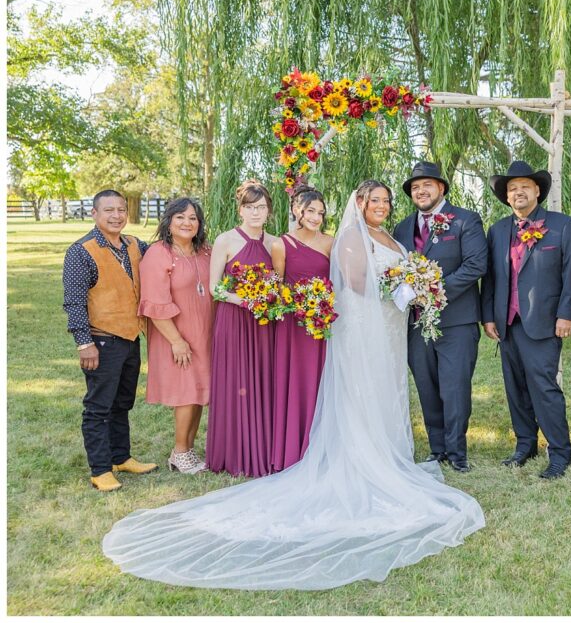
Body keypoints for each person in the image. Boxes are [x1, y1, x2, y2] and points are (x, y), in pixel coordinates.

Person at [102, 179, 485, 589]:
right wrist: (403, 288)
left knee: (387, 389)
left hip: (388, 325)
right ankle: (359, 450)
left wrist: (412, 285)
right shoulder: (340, 237)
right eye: (375, 199)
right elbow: (353, 282)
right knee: (361, 389)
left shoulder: (388, 234)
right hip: (359, 322)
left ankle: (390, 448)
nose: (383, 205)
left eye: (387, 200)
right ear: (356, 203)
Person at [481, 160, 571, 479]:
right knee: (516, 387)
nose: (518, 192)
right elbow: (493, 278)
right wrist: (489, 317)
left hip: (544, 322)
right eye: (512, 188)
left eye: (524, 186)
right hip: (507, 323)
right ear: (506, 197)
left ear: (537, 190)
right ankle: (525, 445)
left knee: (544, 387)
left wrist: (567, 314)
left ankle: (560, 451)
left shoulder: (562, 225)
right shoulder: (497, 230)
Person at [394, 161, 488, 472]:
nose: (420, 191)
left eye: (427, 185)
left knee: (454, 386)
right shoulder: (402, 228)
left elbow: (475, 266)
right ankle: (437, 449)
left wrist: (434, 291)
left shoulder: (465, 220)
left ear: (441, 188)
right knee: (426, 385)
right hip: (415, 324)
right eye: (415, 187)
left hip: (456, 321)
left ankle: (457, 451)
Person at [62, 189, 158, 491]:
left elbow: (164, 254)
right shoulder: (81, 251)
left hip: (130, 337)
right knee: (98, 406)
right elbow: (74, 301)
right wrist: (83, 342)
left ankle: (121, 456)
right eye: (109, 211)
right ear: (94, 213)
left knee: (122, 402)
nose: (116, 216)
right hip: (102, 341)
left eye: (121, 210)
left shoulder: (134, 245)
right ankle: (100, 469)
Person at [206, 180, 279, 477]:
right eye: (250, 207)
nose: (255, 213)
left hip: (263, 324)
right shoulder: (226, 240)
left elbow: (279, 283)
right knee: (235, 381)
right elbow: (214, 289)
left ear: (269, 211)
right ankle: (232, 451)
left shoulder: (275, 243)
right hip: (234, 320)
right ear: (240, 210)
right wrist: (244, 300)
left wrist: (268, 298)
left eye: (261, 207)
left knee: (262, 380)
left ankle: (262, 448)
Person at [138, 197, 214, 475]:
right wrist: (176, 341)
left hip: (203, 333)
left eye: (193, 218)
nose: (187, 222)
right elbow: (154, 303)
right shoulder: (159, 254)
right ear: (169, 222)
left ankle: (187, 450)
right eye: (180, 217)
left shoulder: (205, 251)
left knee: (198, 391)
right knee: (185, 392)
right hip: (176, 334)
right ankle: (180, 451)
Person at [268, 185, 333, 472]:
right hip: (293, 326)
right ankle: (293, 447)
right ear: (297, 211)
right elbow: (278, 285)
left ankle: (323, 445)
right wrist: (297, 303)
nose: (316, 217)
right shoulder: (281, 244)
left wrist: (321, 304)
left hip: (321, 324)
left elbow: (338, 282)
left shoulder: (331, 243)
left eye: (320, 212)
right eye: (310, 211)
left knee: (321, 381)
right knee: (295, 381)